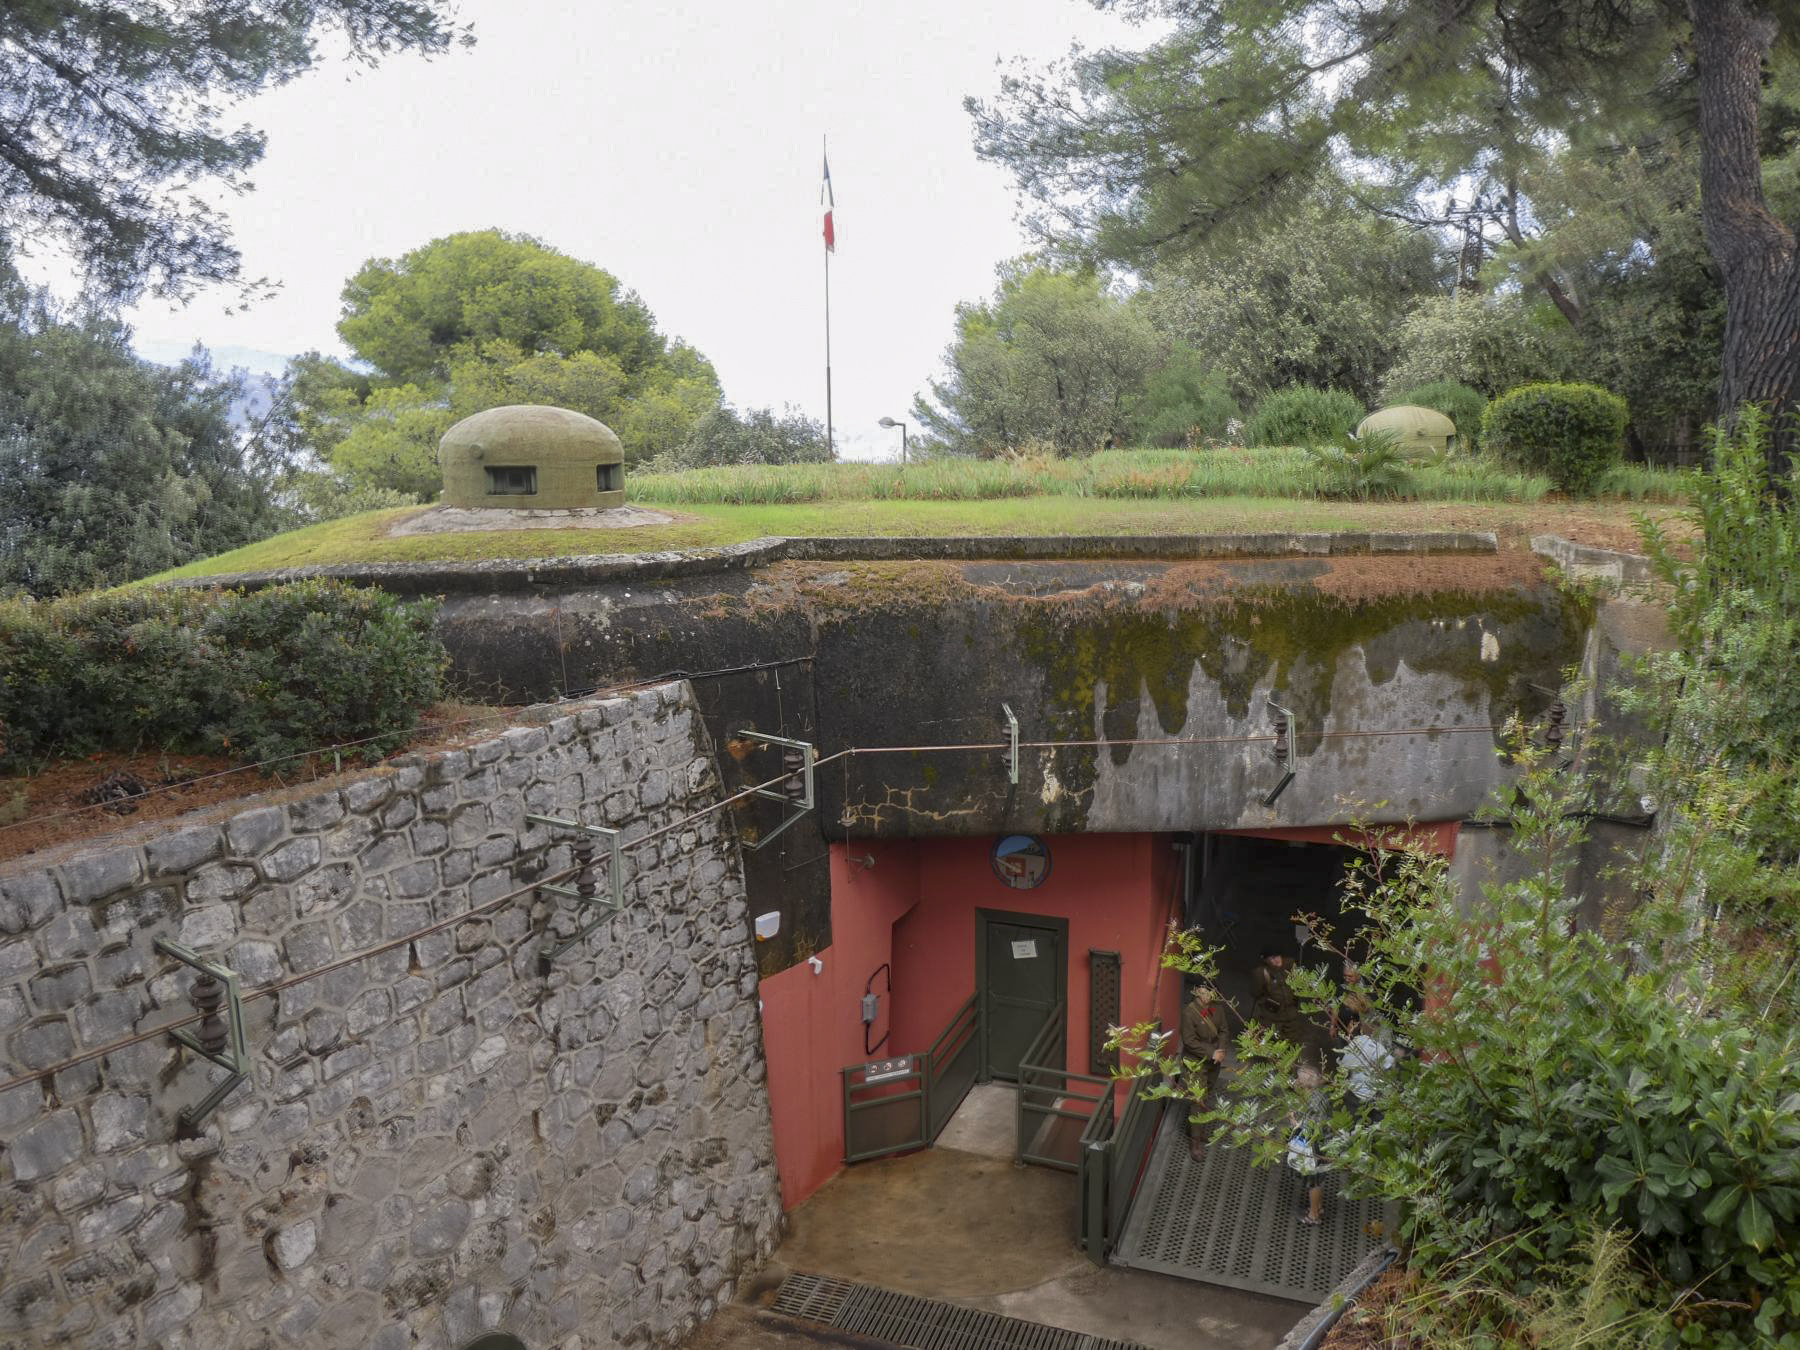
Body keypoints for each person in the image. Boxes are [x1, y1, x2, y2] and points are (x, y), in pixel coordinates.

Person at [1179, 983, 1230, 1158]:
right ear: (1197, 992)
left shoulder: (1218, 1009)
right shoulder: (1189, 1013)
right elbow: (1189, 1041)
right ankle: (1195, 1141)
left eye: (1210, 993)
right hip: (1195, 1061)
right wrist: (1211, 1052)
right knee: (1198, 1100)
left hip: (1214, 1061)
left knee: (1207, 1093)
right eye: (1203, 992)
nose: (1207, 996)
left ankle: (1194, 1128)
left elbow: (1223, 1030)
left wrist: (1221, 1050)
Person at [1286, 1062, 1329, 1226]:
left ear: (1306, 1085)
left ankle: (1313, 1216)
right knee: (1317, 1180)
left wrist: (1294, 1122)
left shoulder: (1314, 1102)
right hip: (1323, 1144)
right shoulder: (1319, 1094)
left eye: (1299, 1080)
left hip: (1315, 1147)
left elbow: (1312, 1128)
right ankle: (1318, 1207)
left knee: (1314, 1182)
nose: (1296, 1082)